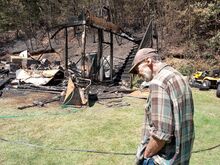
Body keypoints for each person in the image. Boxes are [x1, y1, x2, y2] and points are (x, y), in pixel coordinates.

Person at [129, 48, 194, 165]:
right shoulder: (178, 76)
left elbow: (161, 135)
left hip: (162, 160)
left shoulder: (159, 83)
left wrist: (145, 155)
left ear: (148, 61)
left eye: (137, 69)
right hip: (181, 157)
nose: (138, 75)